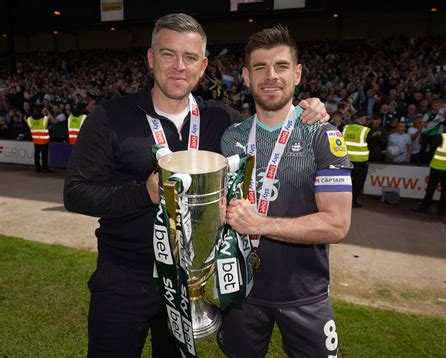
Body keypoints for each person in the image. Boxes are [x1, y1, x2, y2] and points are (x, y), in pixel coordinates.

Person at [63, 13, 329, 357]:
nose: (178, 66)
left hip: (192, 286)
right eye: (168, 54)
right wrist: (143, 193)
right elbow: (76, 193)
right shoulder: (111, 117)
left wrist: (308, 109)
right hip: (124, 279)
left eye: (189, 58)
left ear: (202, 66)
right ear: (150, 58)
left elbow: (269, 120)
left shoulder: (221, 120)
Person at [218, 25, 352, 358]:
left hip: (305, 295)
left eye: (281, 66)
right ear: (246, 77)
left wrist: (260, 224)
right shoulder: (231, 137)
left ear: (297, 73)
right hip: (242, 293)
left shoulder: (322, 135)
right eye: (260, 67)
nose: (270, 75)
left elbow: (337, 224)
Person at [417, 118, 446, 216]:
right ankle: (442, 211)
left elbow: (431, 147)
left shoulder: (442, 136)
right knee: (445, 190)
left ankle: (424, 208)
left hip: (437, 166)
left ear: (445, 127)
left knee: (431, 188)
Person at [343, 110, 371, 207]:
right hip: (361, 161)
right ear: (360, 118)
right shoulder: (365, 130)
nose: (365, 120)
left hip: (346, 160)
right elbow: (371, 145)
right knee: (358, 183)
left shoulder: (345, 128)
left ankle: (342, 201)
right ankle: (353, 201)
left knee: (345, 182)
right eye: (364, 118)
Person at [26, 104, 52, 173]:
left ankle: (37, 168)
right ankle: (45, 168)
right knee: (44, 155)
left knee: (36, 153)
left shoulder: (30, 119)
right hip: (44, 140)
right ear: (41, 110)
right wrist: (45, 114)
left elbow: (29, 126)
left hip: (35, 139)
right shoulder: (45, 118)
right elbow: (49, 124)